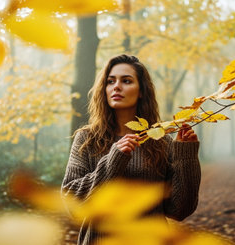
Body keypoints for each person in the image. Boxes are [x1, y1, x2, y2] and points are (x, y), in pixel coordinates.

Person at [61, 54, 201, 245]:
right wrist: (113, 162)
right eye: (110, 81)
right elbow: (73, 203)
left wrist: (186, 156)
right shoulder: (87, 139)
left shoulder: (161, 141)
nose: (116, 86)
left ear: (141, 91)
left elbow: (178, 210)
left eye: (126, 81)